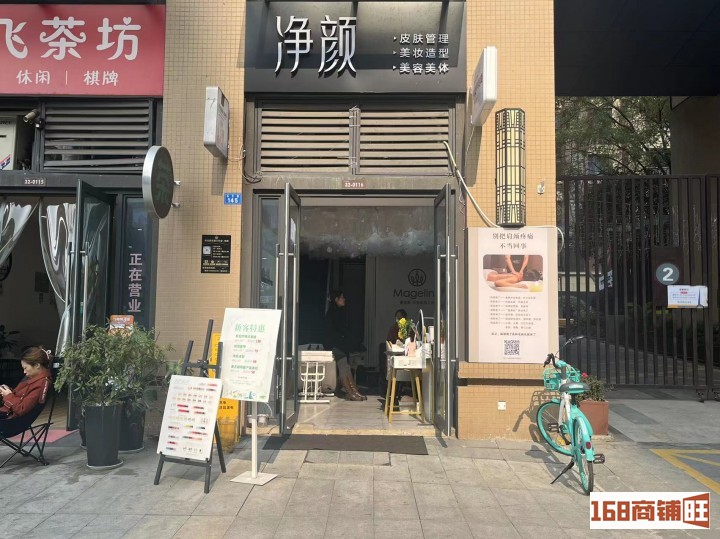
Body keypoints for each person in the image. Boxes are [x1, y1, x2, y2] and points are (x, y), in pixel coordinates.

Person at [323, 290, 366, 401]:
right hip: (335, 346)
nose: (344, 299)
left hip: (339, 346)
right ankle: (350, 392)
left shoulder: (337, 312)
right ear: (336, 299)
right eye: (342, 297)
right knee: (343, 367)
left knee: (346, 367)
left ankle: (353, 391)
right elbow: (334, 332)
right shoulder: (333, 313)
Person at [0, 347, 53, 434]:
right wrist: (7, 391)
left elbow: (21, 409)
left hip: (10, 423)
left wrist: (9, 395)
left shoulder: (41, 384)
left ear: (37, 365)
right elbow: (20, 396)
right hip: (7, 416)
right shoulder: (34, 379)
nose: (24, 372)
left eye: (25, 368)